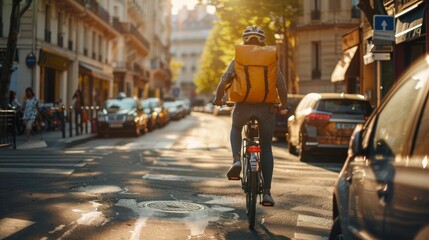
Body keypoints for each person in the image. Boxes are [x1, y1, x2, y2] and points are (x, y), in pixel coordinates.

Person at [213, 26, 288, 207]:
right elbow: (281, 85)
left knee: (236, 127)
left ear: (245, 40)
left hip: (243, 107)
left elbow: (224, 81)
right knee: (267, 149)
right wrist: (283, 106)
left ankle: (236, 160)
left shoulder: (239, 58)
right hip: (266, 109)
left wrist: (218, 99)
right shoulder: (270, 59)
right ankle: (268, 193)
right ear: (262, 41)